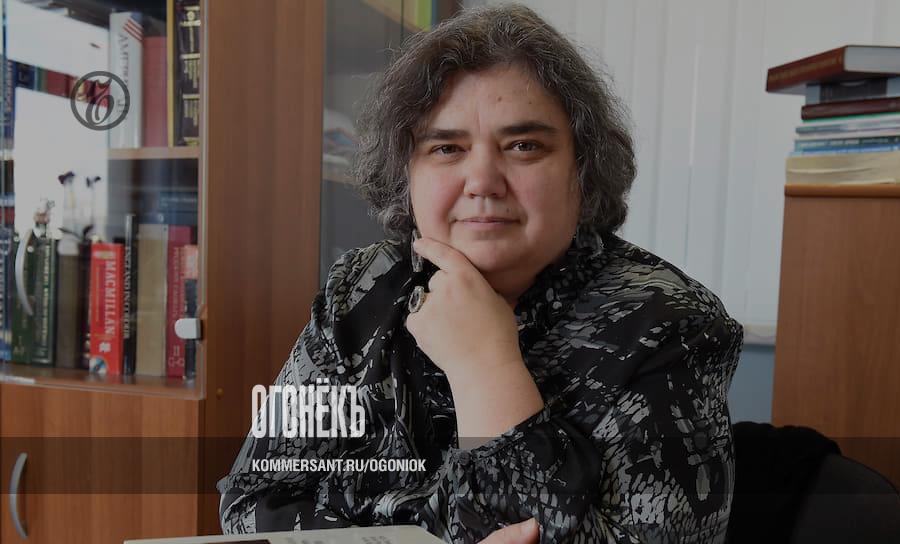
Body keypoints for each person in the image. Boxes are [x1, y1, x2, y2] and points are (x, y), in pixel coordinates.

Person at [217, 4, 742, 543]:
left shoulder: (668, 322)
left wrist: (487, 370)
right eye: (447, 148)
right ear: (406, 173)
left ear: (582, 170)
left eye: (524, 146)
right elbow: (255, 499)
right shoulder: (359, 288)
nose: (483, 180)